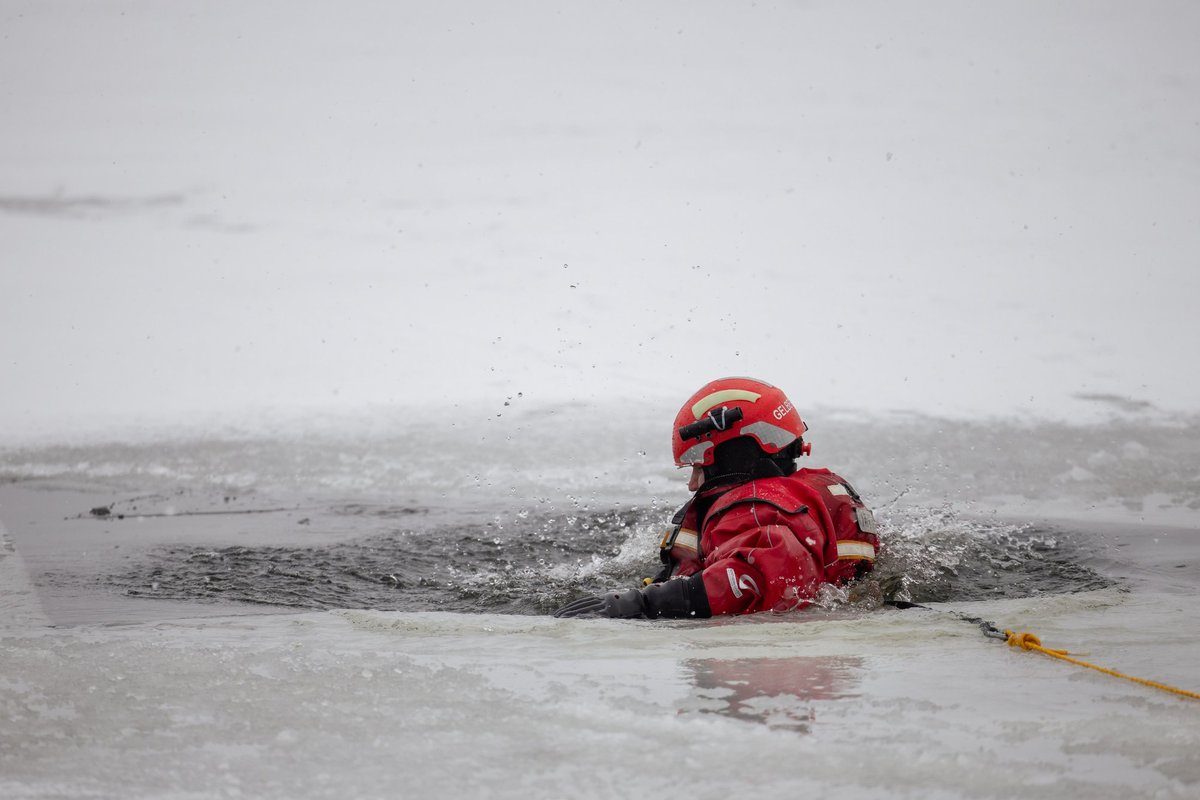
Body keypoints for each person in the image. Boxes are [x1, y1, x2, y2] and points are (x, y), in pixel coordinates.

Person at [554, 376, 880, 619]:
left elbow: (777, 568)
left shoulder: (754, 509)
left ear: (735, 458)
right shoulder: (812, 494)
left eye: (698, 467)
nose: (693, 484)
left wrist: (644, 603)